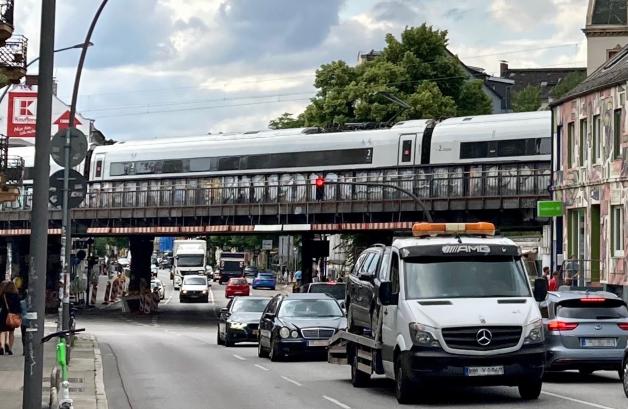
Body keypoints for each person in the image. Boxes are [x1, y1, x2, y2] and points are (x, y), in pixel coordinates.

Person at [0, 280, 22, 355]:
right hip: (13, 316)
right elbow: (19, 307)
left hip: (4, 315)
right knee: (11, 332)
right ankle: (10, 348)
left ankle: (2, 346)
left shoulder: (3, 295)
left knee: (2, 331)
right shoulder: (16, 296)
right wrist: (19, 314)